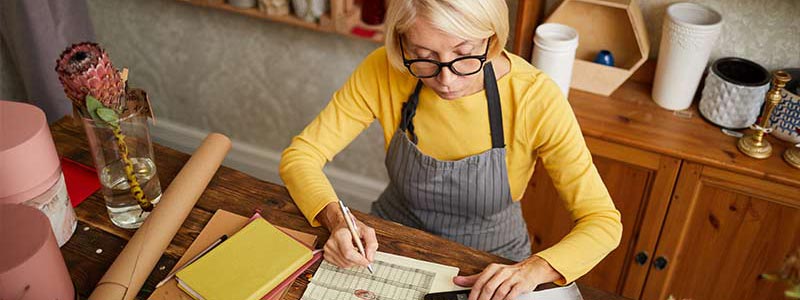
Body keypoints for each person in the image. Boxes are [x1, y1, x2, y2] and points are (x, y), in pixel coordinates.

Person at [279, 0, 622, 299]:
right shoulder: (383, 69)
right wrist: (339, 222)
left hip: (491, 258)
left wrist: (532, 270)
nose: (447, 80)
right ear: (401, 44)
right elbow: (301, 157)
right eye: (424, 57)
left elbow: (603, 223)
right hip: (393, 240)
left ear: (492, 38)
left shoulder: (535, 98)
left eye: (463, 54)